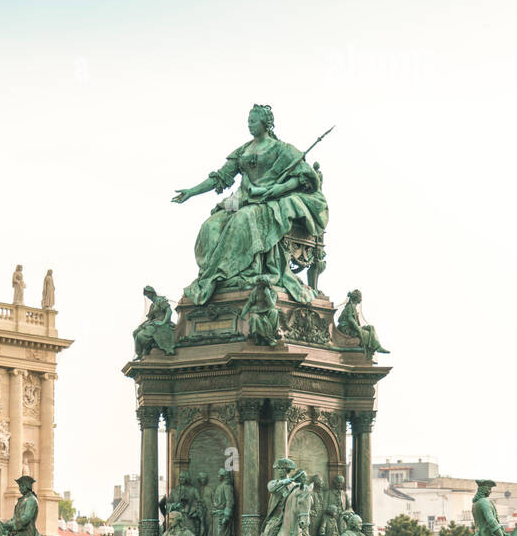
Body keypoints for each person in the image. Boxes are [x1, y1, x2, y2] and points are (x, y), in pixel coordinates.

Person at [172, 103, 329, 306]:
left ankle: (237, 271)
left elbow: (304, 177)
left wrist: (275, 190)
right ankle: (220, 278)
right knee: (210, 226)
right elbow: (220, 177)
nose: (250, 125)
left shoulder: (283, 150)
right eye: (248, 121)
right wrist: (192, 191)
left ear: (266, 123)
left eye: (253, 121)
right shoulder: (243, 150)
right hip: (241, 201)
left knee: (242, 219)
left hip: (268, 203)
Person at [258, 457, 298, 536]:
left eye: (282, 469)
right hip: (276, 518)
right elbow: (271, 488)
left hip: (291, 519)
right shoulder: (274, 483)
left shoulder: (294, 486)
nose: (279, 471)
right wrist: (283, 482)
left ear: (287, 471)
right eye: (278, 469)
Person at [336, 290, 388, 356]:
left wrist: (359, 327)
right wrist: (358, 329)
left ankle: (377, 346)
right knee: (366, 334)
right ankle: (375, 347)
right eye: (360, 296)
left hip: (350, 327)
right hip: (346, 329)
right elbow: (350, 319)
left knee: (371, 327)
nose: (361, 298)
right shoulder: (351, 306)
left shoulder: (352, 306)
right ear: (356, 298)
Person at [133, 285, 176, 358]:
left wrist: (163, 322)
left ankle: (146, 350)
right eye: (146, 295)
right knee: (135, 332)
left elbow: (169, 312)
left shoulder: (160, 300)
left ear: (152, 293)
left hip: (161, 323)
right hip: (153, 323)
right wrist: (143, 325)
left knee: (140, 336)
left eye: (148, 294)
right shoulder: (152, 305)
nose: (148, 296)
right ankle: (140, 353)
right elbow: (150, 319)